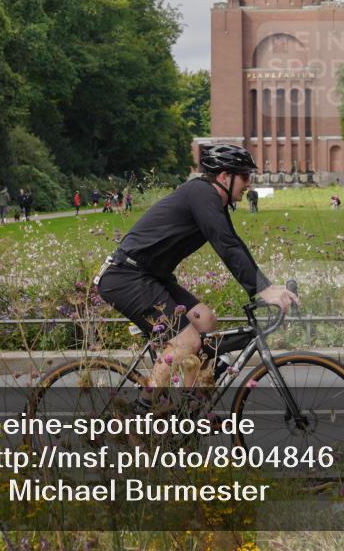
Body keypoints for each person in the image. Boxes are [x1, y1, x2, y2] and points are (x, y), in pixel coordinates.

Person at [95, 144, 297, 411]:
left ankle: (190, 407)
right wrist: (263, 290)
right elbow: (226, 245)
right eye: (245, 176)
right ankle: (138, 416)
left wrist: (267, 286)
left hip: (151, 276)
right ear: (225, 176)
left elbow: (234, 243)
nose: (249, 183)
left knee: (206, 319)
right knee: (186, 341)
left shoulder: (212, 200)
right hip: (126, 276)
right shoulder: (201, 193)